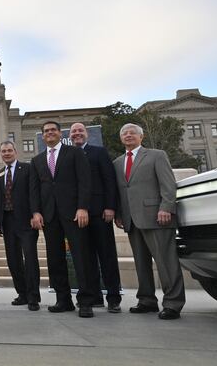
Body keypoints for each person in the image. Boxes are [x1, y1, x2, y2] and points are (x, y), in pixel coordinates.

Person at [114, 123, 185, 320]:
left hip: (157, 216)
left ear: (141, 137)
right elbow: (120, 191)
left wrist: (166, 208)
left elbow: (168, 184)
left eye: (132, 133)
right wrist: (120, 213)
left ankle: (172, 303)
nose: (128, 136)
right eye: (124, 133)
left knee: (166, 262)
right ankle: (146, 300)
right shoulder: (118, 162)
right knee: (141, 263)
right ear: (121, 139)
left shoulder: (156, 155)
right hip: (131, 220)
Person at [29, 121, 98, 318]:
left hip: (73, 213)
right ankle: (63, 299)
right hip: (49, 216)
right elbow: (34, 190)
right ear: (42, 136)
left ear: (60, 133)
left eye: (53, 130)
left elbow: (85, 181)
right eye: (46, 131)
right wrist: (36, 212)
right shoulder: (37, 160)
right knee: (55, 259)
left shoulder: (74, 153)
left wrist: (83, 207)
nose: (49, 133)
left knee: (80, 257)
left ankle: (85, 301)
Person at [69, 122, 122, 313]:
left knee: (106, 255)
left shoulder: (99, 152)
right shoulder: (69, 155)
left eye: (80, 131)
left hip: (100, 212)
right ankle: (94, 296)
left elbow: (109, 180)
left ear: (87, 134)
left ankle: (114, 298)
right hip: (78, 214)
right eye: (73, 132)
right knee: (86, 258)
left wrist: (110, 206)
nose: (77, 134)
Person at [0, 140, 41, 311]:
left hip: (26, 221)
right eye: (3, 151)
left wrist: (36, 213)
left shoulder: (27, 169)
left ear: (16, 151)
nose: (6, 153)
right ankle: (22, 293)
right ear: (1, 154)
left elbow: (34, 193)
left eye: (9, 150)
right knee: (13, 260)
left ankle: (33, 297)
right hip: (7, 222)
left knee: (29, 259)